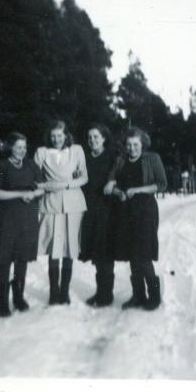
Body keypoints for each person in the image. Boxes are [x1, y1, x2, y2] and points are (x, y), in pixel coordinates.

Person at [104, 127, 167, 311]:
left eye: (135, 145)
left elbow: (162, 184)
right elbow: (110, 185)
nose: (132, 148)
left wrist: (137, 190)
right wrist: (119, 192)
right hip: (125, 211)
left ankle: (154, 296)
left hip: (146, 210)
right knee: (132, 253)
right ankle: (138, 295)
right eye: (129, 145)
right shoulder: (120, 160)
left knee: (143, 254)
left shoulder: (152, 158)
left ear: (143, 144)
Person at [0, 132, 44, 318]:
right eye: (18, 147)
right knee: (4, 258)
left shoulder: (31, 165)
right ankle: (2, 301)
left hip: (27, 218)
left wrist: (33, 194)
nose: (22, 151)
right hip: (6, 218)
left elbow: (42, 188)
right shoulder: (1, 166)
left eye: (24, 147)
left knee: (22, 257)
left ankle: (18, 296)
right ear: (10, 147)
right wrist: (21, 194)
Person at [34, 120, 88, 305]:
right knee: (54, 248)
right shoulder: (42, 152)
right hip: (51, 204)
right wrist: (47, 186)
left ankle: (64, 292)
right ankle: (53, 293)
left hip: (73, 205)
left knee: (69, 248)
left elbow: (84, 177)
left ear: (66, 135)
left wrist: (66, 184)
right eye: (53, 136)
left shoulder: (77, 150)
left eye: (59, 135)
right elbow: (34, 178)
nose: (56, 139)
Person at [80, 124, 116, 307]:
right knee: (96, 252)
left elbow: (120, 172)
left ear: (104, 138)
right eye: (90, 137)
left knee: (105, 252)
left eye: (96, 137)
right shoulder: (84, 158)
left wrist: (113, 181)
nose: (92, 140)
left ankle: (106, 295)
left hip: (107, 210)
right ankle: (101, 291)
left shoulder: (112, 157)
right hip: (89, 210)